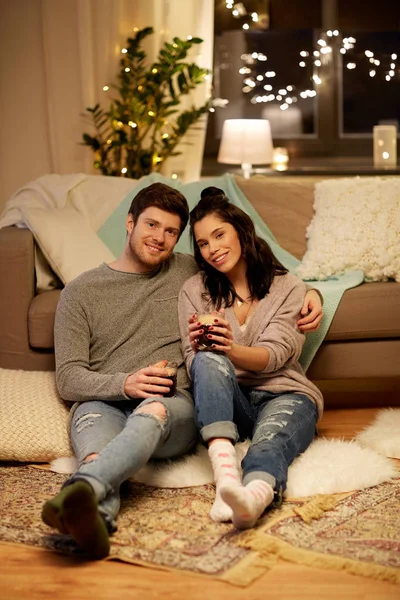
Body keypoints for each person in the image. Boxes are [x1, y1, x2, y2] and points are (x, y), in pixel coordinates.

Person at [41, 182, 322, 559]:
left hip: (167, 401)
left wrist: (313, 295)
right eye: (151, 225)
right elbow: (69, 378)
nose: (160, 238)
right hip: (102, 400)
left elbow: (266, 275)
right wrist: (125, 383)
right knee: (96, 452)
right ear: (129, 223)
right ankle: (91, 519)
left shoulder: (195, 270)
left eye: (171, 231)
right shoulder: (80, 292)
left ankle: (85, 491)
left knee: (154, 410)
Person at [178, 187, 324, 530]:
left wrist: (231, 349)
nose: (212, 249)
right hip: (231, 404)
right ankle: (226, 476)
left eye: (219, 235)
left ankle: (254, 499)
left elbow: (276, 355)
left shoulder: (287, 287)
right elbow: (191, 360)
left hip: (285, 393)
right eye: (202, 243)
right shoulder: (194, 290)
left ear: (241, 231)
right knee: (204, 360)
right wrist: (212, 351)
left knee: (269, 441)